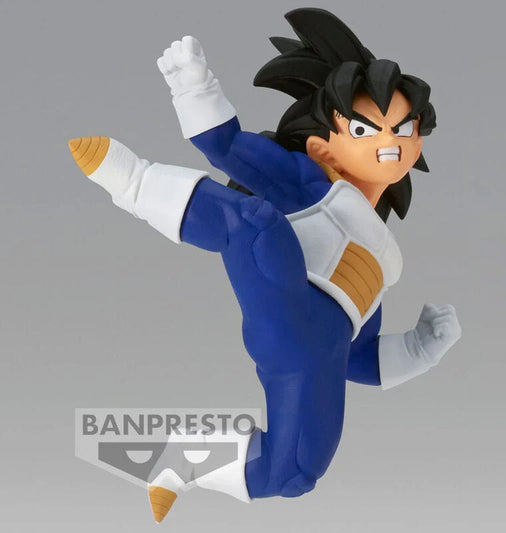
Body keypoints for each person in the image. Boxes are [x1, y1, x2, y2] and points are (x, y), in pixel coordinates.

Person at [69, 8, 461, 523]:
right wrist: (194, 86)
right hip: (284, 301)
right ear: (324, 146)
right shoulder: (309, 184)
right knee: (255, 222)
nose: (390, 144)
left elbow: (358, 357)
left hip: (315, 358)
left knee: (296, 472)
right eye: (365, 128)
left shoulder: (384, 257)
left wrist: (421, 348)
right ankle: (135, 183)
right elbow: (227, 147)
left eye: (403, 128)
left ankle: (180, 461)